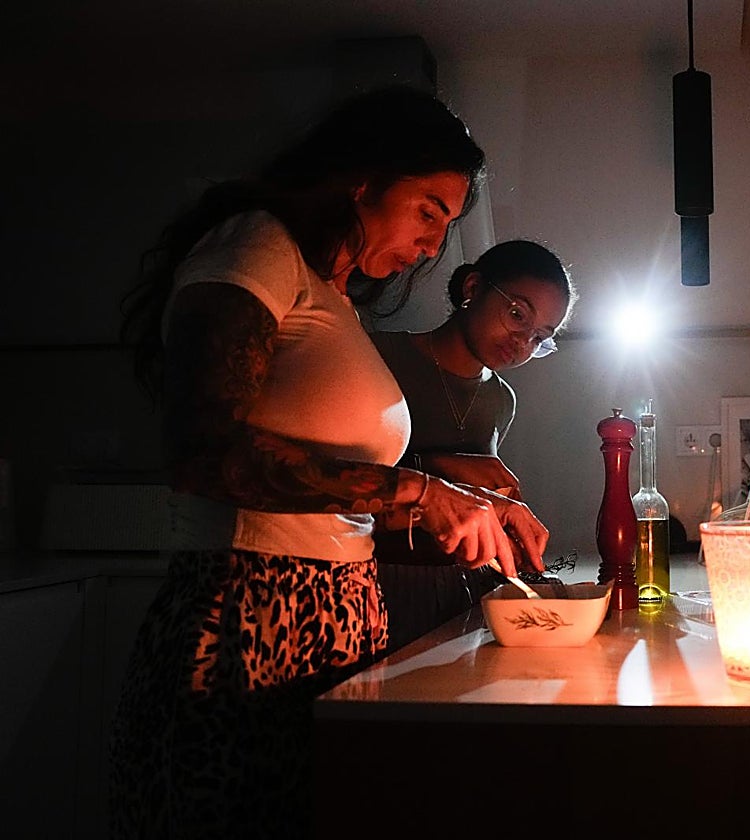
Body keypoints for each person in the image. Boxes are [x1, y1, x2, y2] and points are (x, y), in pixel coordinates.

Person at [109, 85, 549, 838]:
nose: (434, 246)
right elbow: (204, 452)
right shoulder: (254, 247)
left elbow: (338, 484)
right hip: (246, 623)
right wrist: (418, 491)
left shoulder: (334, 299)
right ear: (363, 179)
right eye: (428, 212)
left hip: (329, 621)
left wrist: (458, 498)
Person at [369, 239, 577, 651]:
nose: (522, 342)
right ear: (472, 288)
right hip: (378, 582)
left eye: (539, 338)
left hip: (464, 587)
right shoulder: (381, 356)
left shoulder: (501, 400)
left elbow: (477, 504)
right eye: (517, 314)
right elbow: (335, 477)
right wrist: (445, 466)